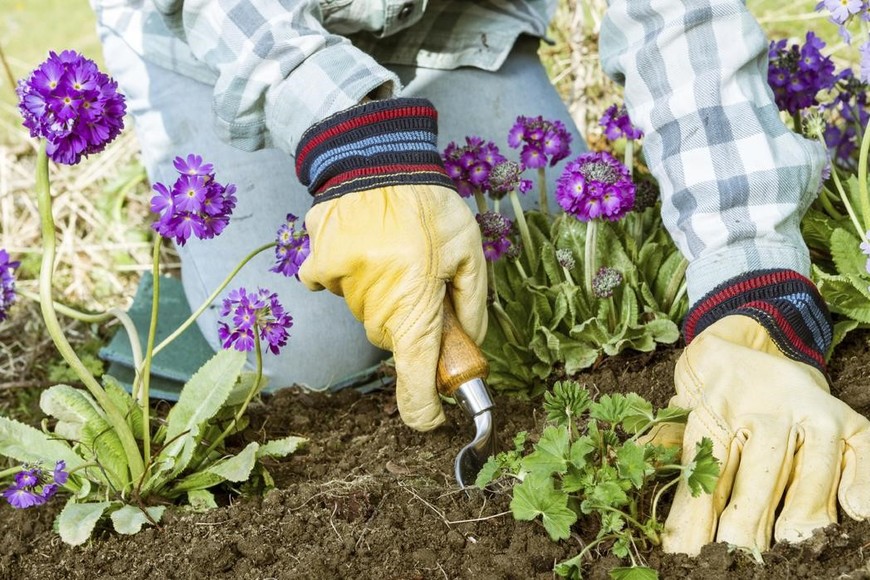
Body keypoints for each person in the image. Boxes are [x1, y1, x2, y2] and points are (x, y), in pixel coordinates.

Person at [89, 0, 870, 557]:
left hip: (450, 23)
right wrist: (362, 152)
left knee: (538, 240)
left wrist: (753, 295)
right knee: (313, 354)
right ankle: (162, 324)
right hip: (222, 34)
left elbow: (681, 24)